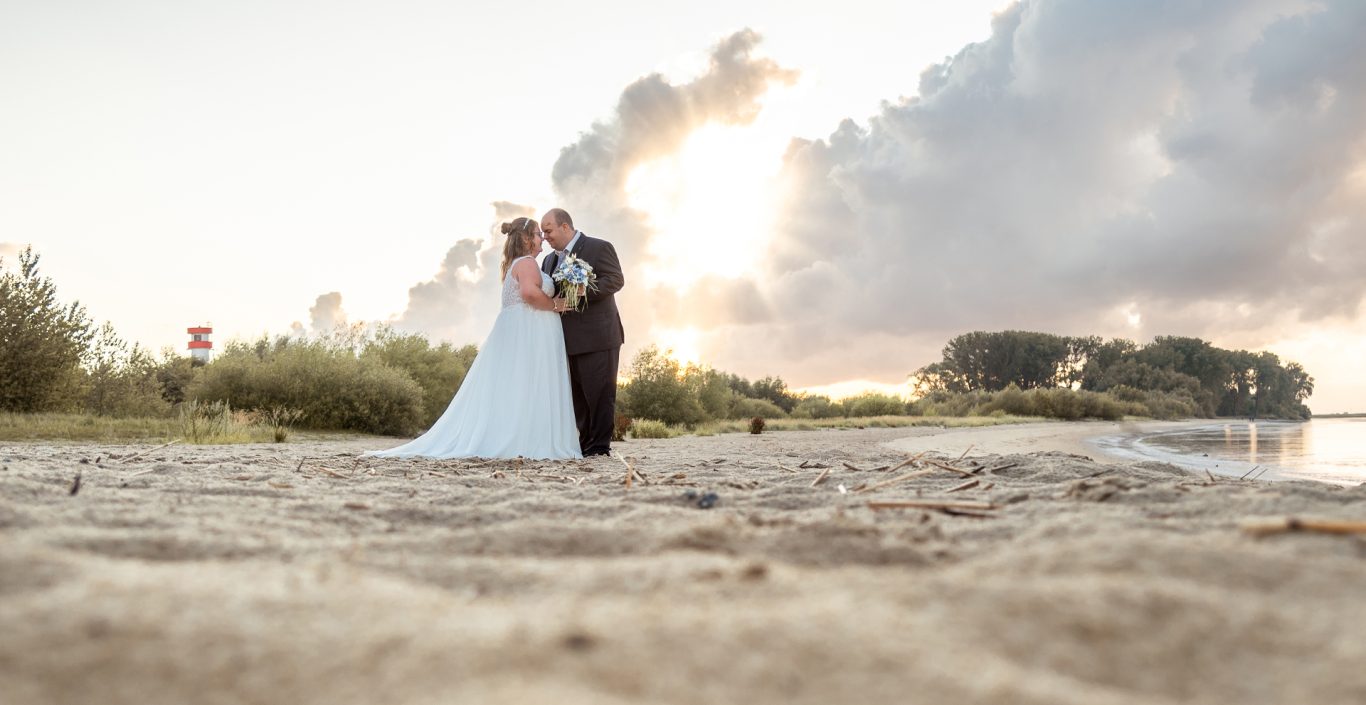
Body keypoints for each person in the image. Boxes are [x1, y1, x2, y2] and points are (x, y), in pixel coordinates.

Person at [366, 216, 581, 460]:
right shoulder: (528, 263)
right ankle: (527, 439)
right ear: (526, 238)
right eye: (537, 234)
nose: (542, 238)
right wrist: (555, 305)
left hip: (520, 330)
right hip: (528, 332)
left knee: (517, 385)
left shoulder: (515, 264)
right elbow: (530, 293)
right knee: (528, 383)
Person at [540, 208, 625, 457]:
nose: (545, 237)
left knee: (599, 394)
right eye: (542, 233)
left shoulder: (599, 247)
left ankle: (599, 447)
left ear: (565, 226)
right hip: (566, 339)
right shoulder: (548, 261)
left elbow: (616, 280)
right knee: (577, 398)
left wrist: (584, 289)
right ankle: (584, 445)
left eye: (548, 230)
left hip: (598, 336)